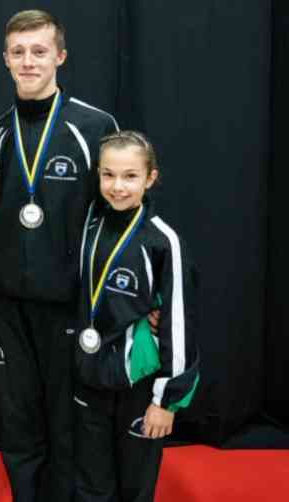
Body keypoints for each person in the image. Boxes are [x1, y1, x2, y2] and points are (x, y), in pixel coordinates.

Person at [0, 9, 120, 502]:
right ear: (5, 60)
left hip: (68, 304)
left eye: (39, 51)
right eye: (18, 52)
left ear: (60, 56)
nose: (28, 61)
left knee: (67, 422)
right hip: (9, 309)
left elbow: (117, 214)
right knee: (18, 422)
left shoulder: (94, 125)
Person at [74, 130, 199, 502]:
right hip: (89, 374)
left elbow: (179, 322)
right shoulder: (89, 227)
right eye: (108, 175)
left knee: (135, 484)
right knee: (91, 482)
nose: (117, 186)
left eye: (130, 176)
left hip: (139, 383)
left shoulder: (163, 241)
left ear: (150, 178)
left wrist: (165, 401)